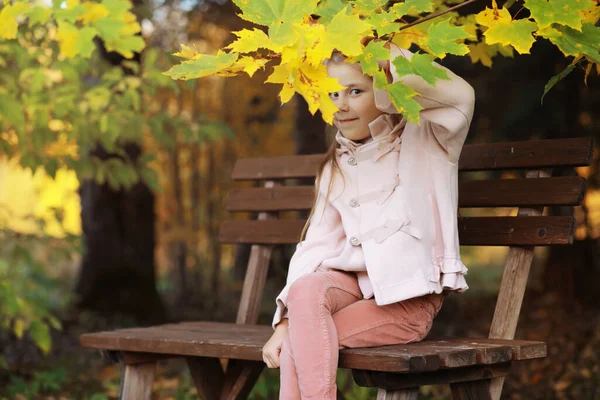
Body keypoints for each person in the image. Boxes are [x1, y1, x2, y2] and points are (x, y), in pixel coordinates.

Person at [262, 41, 476, 399]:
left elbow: (461, 96)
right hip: (350, 292)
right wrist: (282, 324)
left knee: (302, 344)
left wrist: (378, 50)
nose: (341, 105)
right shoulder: (335, 167)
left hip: (407, 305)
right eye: (333, 93)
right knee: (304, 297)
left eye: (356, 91)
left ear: (383, 87)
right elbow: (316, 246)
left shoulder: (428, 137)